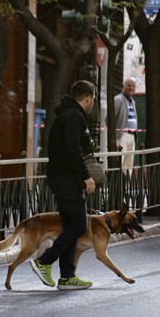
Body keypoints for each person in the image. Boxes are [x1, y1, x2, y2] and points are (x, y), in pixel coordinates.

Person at [30, 80, 96, 290]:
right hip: (66, 179)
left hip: (63, 178)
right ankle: (44, 261)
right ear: (87, 97)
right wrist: (86, 176)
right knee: (79, 224)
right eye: (93, 98)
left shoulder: (68, 114)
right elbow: (72, 149)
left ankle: (67, 277)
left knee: (70, 226)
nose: (92, 102)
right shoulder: (73, 116)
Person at [114, 78, 138, 174]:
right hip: (121, 135)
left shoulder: (133, 102)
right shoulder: (118, 99)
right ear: (124, 86)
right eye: (129, 85)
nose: (131, 87)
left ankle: (125, 187)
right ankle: (117, 187)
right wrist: (115, 133)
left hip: (132, 136)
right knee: (119, 162)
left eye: (133, 86)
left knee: (128, 165)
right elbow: (109, 119)